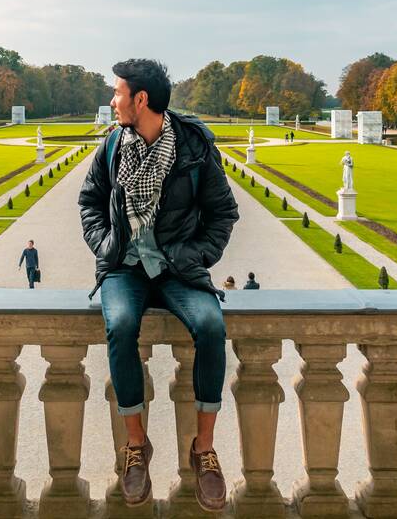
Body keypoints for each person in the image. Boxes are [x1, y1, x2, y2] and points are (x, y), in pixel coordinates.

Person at [78, 58, 238, 512]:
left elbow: (223, 214)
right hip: (124, 268)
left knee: (211, 325)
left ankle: (204, 449)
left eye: (118, 93)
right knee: (121, 325)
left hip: (177, 269)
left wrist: (192, 257)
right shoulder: (113, 145)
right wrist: (106, 246)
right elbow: (89, 202)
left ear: (141, 99)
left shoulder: (194, 146)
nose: (113, 100)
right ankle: (136, 446)